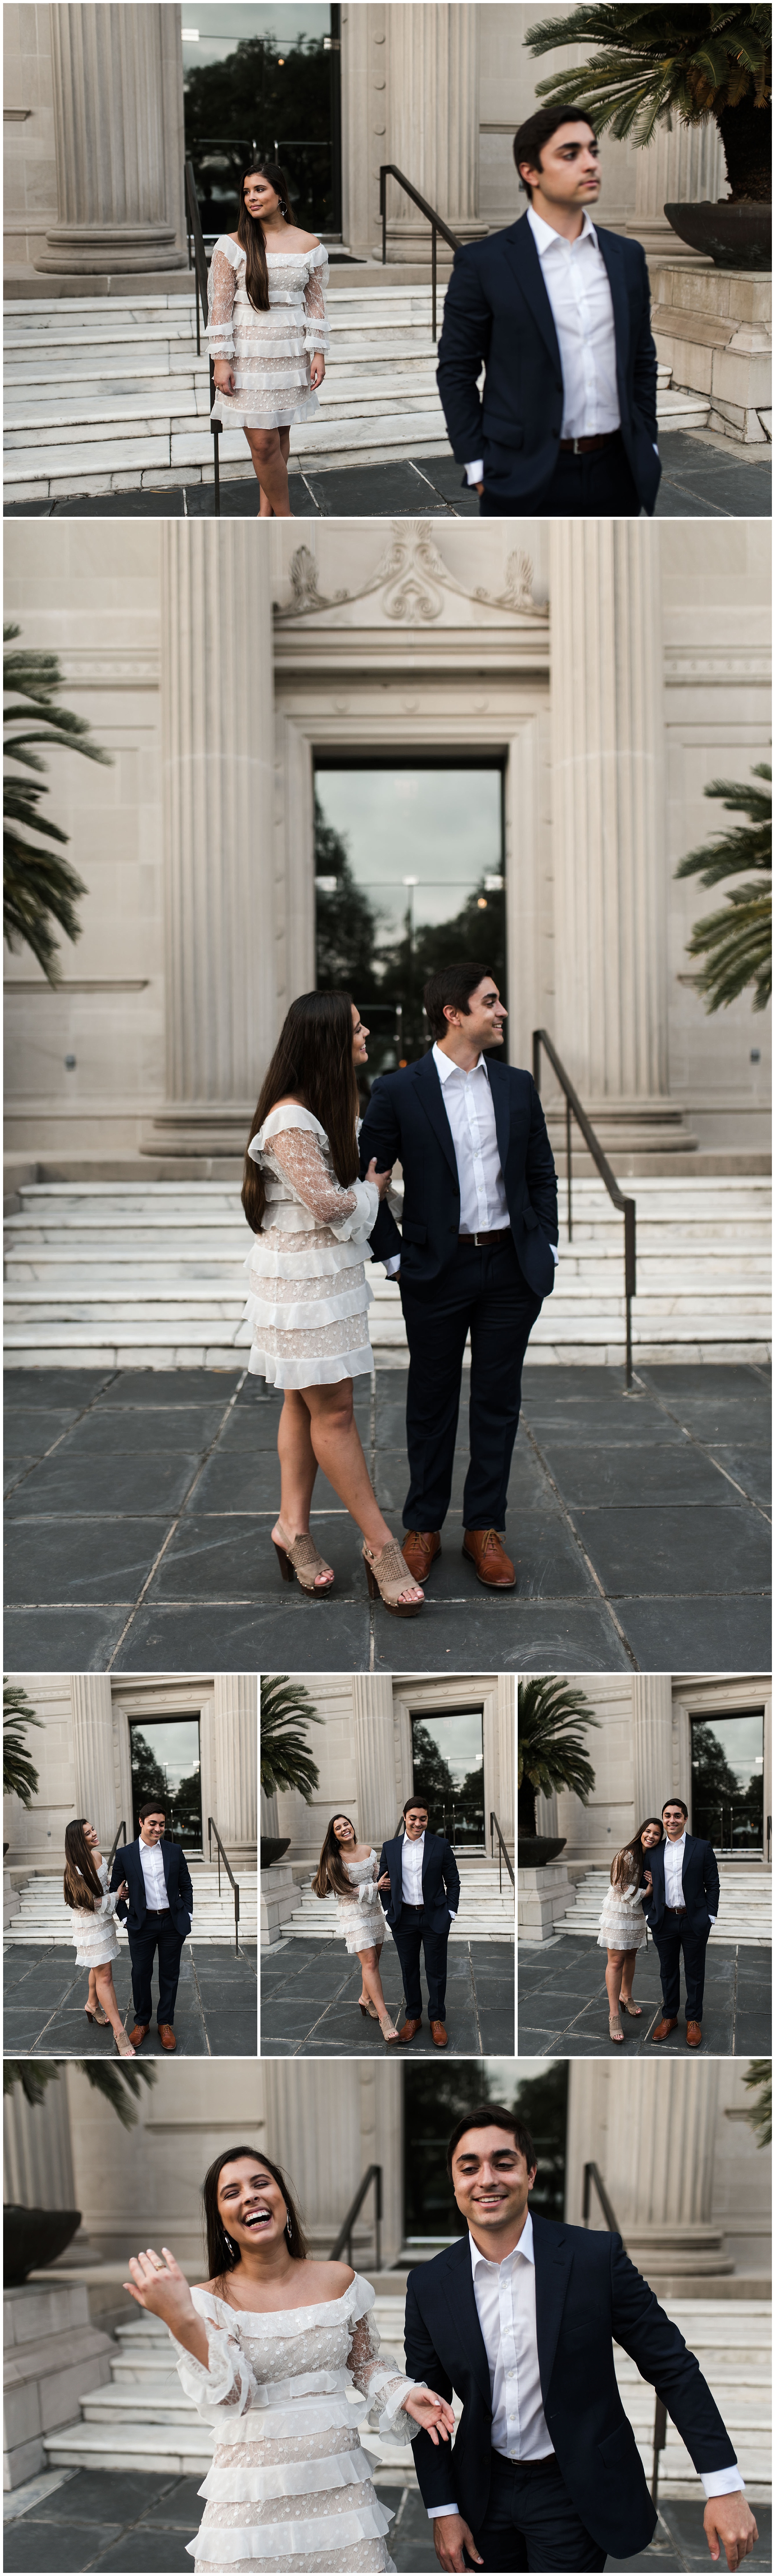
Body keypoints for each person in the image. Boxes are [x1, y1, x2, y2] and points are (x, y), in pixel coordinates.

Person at [405, 2104, 758, 2574]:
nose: (486, 2178)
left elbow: (673, 2366)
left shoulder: (596, 2258)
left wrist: (723, 2485)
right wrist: (443, 2510)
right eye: (469, 2168)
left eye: (503, 2163)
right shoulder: (429, 2284)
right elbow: (428, 2412)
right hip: (481, 2492)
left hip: (572, 2487)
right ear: (455, 2184)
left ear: (531, 2174)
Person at [122, 2142, 455, 2574]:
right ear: (221, 2219)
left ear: (283, 2198)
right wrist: (181, 2318)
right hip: (251, 2503)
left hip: (341, 2496)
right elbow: (232, 2394)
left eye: (261, 2183)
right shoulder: (205, 2302)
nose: (250, 2196)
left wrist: (404, 2393)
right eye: (232, 2192)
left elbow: (363, 2364)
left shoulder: (340, 2280)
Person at [359, 964, 558, 1592]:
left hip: (508, 1268)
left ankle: (483, 1530)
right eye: (490, 1002)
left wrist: (543, 1242)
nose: (501, 1012)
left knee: (498, 1402)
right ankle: (422, 1528)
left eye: (498, 1001)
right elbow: (363, 1179)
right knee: (431, 1403)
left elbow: (540, 1173)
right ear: (453, 1013)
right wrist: (394, 1258)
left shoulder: (518, 1085)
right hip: (435, 1272)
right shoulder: (398, 1091)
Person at [242, 988, 424, 1616]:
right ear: (325, 1040)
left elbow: (351, 1187)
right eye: (354, 1029)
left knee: (304, 1397)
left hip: (328, 1279)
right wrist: (374, 1190)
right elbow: (331, 1203)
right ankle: (380, 1547)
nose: (365, 1035)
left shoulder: (326, 1109)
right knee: (337, 1412)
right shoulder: (291, 1118)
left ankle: (291, 1527)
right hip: (301, 1286)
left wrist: (376, 1189)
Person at [436, 104, 660, 520]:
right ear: (531, 172)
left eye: (593, 150)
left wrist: (648, 441)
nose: (591, 163)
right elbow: (456, 370)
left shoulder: (627, 256)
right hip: (523, 478)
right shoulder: (485, 263)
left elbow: (641, 360)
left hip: (620, 472)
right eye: (570, 154)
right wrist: (477, 466)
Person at [207, 162, 328, 518]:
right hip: (247, 354)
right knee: (263, 444)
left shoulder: (309, 245)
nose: (251, 198)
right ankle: (287, 518)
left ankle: (266, 515)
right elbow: (219, 308)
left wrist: (318, 353)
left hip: (291, 352)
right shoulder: (231, 246)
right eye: (246, 192)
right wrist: (221, 360)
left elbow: (317, 304)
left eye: (259, 190)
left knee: (279, 436)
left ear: (280, 195)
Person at [110, 1801, 193, 2054]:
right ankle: (143, 2022)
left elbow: (186, 1884)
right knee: (141, 1974)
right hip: (141, 1923)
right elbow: (116, 1891)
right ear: (141, 1822)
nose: (158, 1829)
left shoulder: (174, 1850)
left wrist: (187, 1912)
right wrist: (125, 1918)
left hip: (171, 1921)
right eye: (153, 1824)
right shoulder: (126, 1854)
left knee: (170, 1974)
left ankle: (166, 2023)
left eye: (162, 1824)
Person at [377, 1797, 460, 2050]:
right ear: (405, 1817)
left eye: (423, 1818)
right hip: (404, 1918)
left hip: (435, 1917)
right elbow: (384, 1881)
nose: (418, 1823)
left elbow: (454, 1882)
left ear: (427, 1819)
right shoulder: (390, 1847)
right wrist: (390, 1909)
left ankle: (436, 2019)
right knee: (409, 1969)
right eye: (413, 1817)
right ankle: (414, 2017)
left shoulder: (441, 1845)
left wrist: (451, 1913)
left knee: (436, 1971)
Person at [312, 1812, 400, 2045]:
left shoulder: (369, 1851)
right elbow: (344, 1890)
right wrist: (376, 1886)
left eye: (346, 1824)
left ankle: (364, 1998)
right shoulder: (335, 1858)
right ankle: (385, 2018)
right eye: (338, 1828)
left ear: (352, 1827)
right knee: (370, 1962)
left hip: (373, 1911)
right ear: (334, 1835)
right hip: (352, 1914)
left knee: (374, 1960)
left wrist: (384, 1886)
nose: (344, 1829)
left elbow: (379, 1878)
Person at [643, 1797, 721, 2049]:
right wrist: (649, 1914)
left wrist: (710, 1916)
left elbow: (713, 1884)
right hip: (664, 1919)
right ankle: (669, 2017)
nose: (672, 1820)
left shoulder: (702, 1847)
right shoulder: (653, 1850)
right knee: (668, 1971)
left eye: (677, 1815)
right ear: (663, 1818)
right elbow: (645, 1885)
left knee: (695, 1972)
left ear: (685, 1818)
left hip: (694, 1919)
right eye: (668, 1815)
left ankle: (693, 2020)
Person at [63, 1817, 134, 2058]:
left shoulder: (99, 1856)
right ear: (78, 1840)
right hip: (90, 1924)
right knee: (105, 1974)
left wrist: (119, 1893)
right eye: (87, 1833)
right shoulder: (75, 1869)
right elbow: (91, 1903)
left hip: (104, 1922)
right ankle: (120, 2032)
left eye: (92, 1829)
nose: (94, 1833)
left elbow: (106, 1890)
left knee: (99, 1966)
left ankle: (92, 2005)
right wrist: (115, 1897)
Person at [598, 1816, 663, 2044]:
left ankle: (627, 1996)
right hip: (618, 1913)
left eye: (656, 1833)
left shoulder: (652, 1857)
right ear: (641, 1832)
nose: (652, 1836)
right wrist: (649, 1891)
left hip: (636, 1914)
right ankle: (614, 2015)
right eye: (648, 1831)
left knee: (632, 1955)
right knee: (616, 1961)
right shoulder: (627, 1854)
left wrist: (655, 1884)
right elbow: (618, 1883)